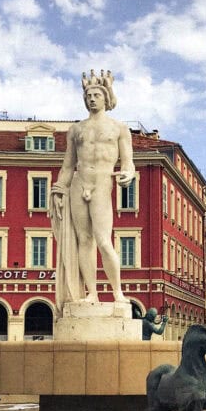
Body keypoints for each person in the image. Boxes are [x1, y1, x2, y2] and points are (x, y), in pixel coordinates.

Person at [49, 69, 135, 314]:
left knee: (103, 241)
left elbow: (127, 161)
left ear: (106, 98)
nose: (92, 98)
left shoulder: (119, 129)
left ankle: (117, 292)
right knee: (83, 241)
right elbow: (68, 164)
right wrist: (58, 188)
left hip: (101, 184)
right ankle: (92, 293)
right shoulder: (76, 130)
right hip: (78, 184)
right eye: (88, 95)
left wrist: (129, 173)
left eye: (97, 94)